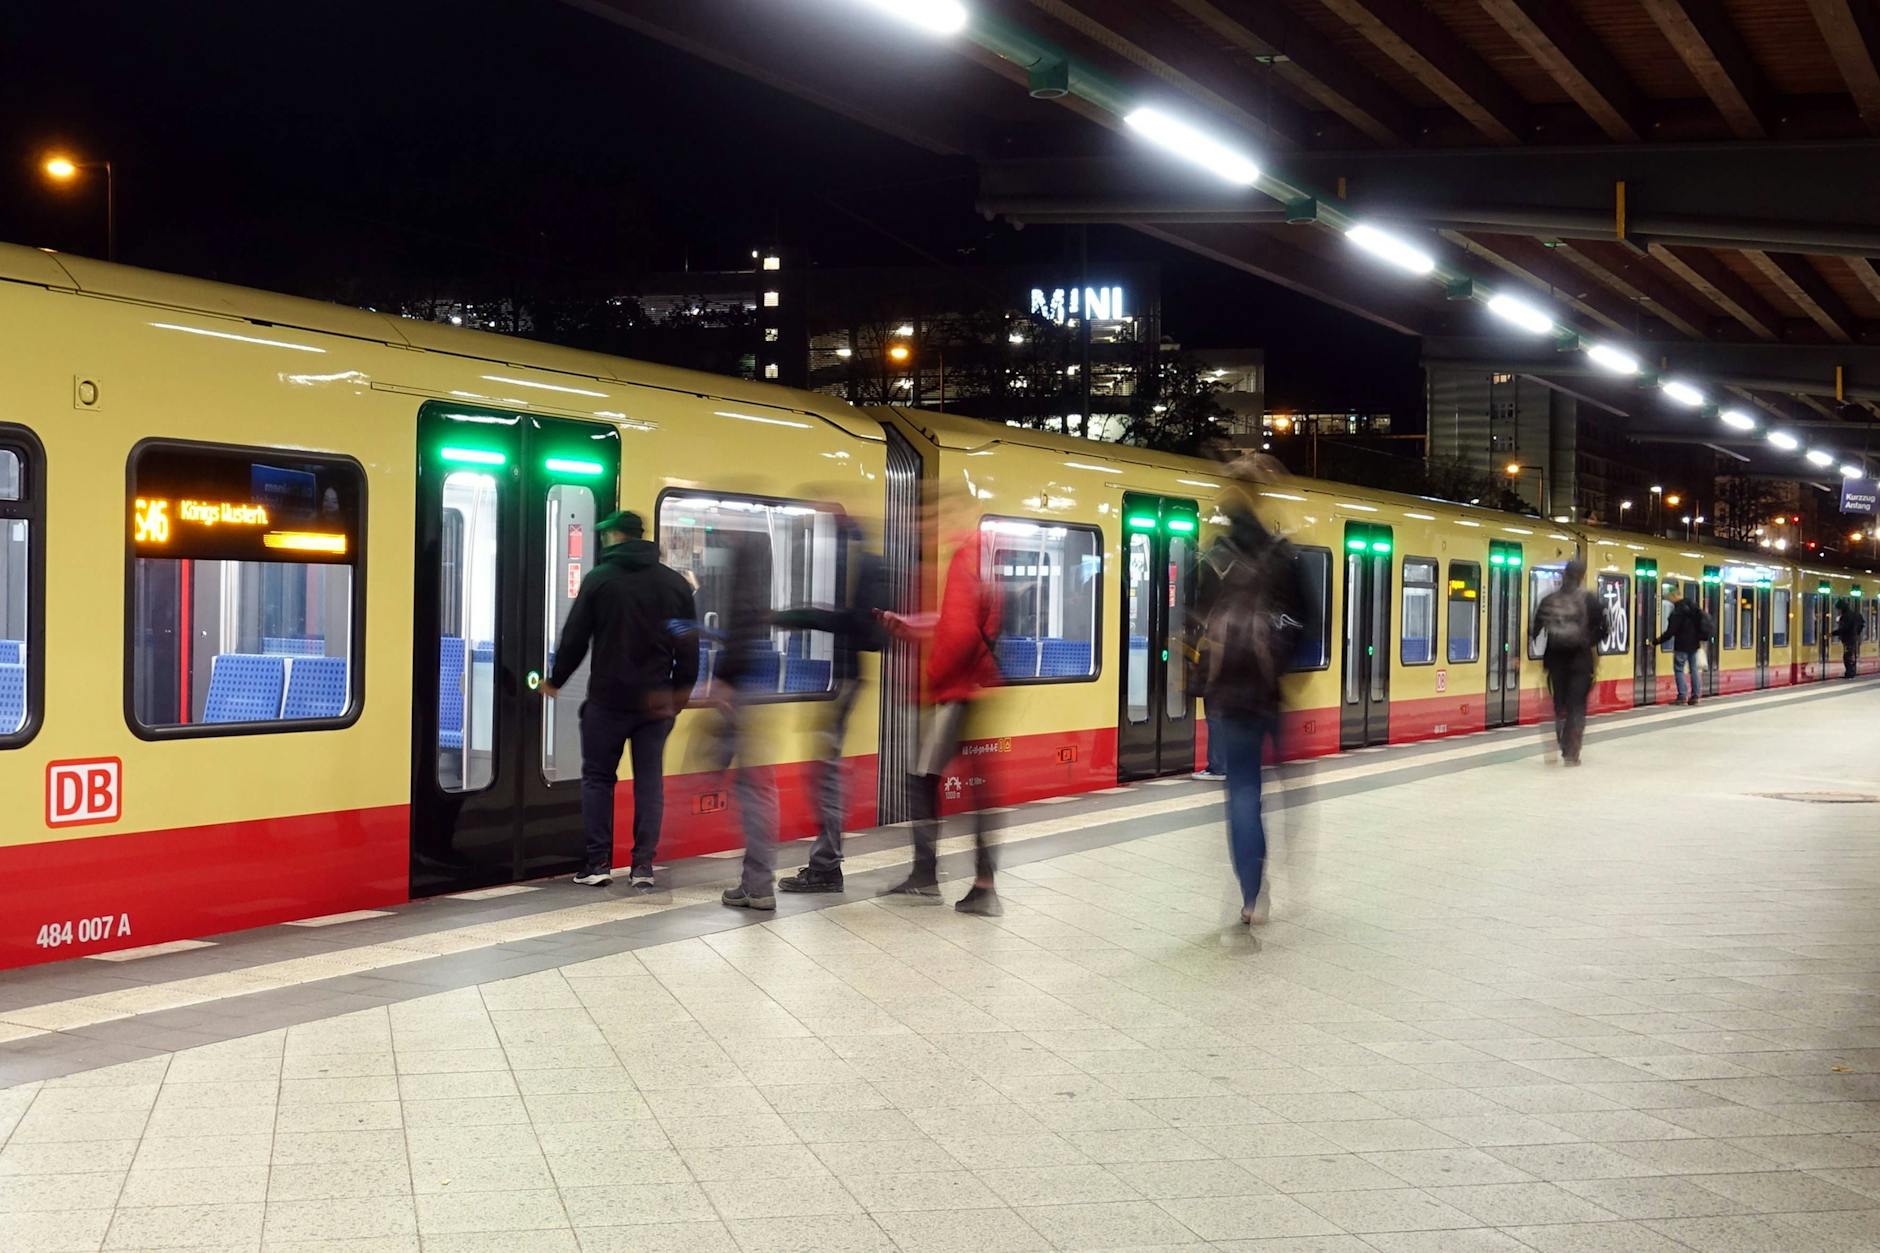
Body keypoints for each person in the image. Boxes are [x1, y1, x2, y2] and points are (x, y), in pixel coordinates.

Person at [543, 509, 699, 889]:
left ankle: (598, 863)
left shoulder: (600, 579)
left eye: (606, 534)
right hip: (656, 703)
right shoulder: (675, 585)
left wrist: (556, 680)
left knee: (598, 779)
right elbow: (689, 647)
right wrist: (678, 696)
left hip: (608, 701)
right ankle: (643, 866)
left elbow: (576, 637)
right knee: (649, 782)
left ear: (616, 536)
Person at [879, 518, 1005, 916]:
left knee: (923, 778)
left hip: (957, 689)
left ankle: (932, 877)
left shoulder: (966, 556)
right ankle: (974, 883)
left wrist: (935, 678)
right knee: (977, 788)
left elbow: (961, 631)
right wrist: (916, 627)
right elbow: (960, 621)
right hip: (974, 684)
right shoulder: (983, 554)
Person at [1196, 492, 1302, 926]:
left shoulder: (1214, 558)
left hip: (1229, 696)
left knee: (1242, 794)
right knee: (1288, 787)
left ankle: (1252, 894)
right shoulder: (1283, 556)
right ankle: (1283, 868)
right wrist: (1281, 670)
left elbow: (1193, 619)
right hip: (1267, 694)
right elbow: (1308, 624)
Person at [775, 511, 890, 894]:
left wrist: (799, 615)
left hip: (843, 682)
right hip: (842, 682)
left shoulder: (864, 569)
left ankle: (826, 867)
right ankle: (826, 864)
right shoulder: (863, 565)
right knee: (825, 775)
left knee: (826, 777)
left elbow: (854, 623)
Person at [713, 529, 785, 911]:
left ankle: (758, 885)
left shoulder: (748, 557)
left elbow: (743, 623)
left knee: (755, 789)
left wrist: (725, 675)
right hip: (758, 681)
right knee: (756, 787)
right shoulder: (759, 555)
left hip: (748, 682)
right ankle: (755, 882)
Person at [1529, 559, 1608, 766]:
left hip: (1555, 660)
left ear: (1564, 574)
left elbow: (1535, 628)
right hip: (1580, 661)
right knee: (1577, 706)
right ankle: (1571, 752)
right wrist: (1587, 641)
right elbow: (1605, 629)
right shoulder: (1590, 600)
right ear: (1582, 576)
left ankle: (1561, 740)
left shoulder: (1550, 599)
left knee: (1559, 705)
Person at [1656, 588, 1707, 706]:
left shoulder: (1678, 611)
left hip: (1681, 645)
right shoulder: (1693, 607)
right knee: (1694, 669)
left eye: (1668, 597)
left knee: (1679, 669)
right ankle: (1695, 696)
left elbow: (1670, 632)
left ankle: (1682, 696)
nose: (1668, 600)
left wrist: (1656, 642)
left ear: (1674, 596)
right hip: (1694, 644)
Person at [1836, 597, 1865, 679]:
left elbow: (1844, 629)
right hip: (1854, 638)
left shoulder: (1846, 616)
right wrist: (1857, 633)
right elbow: (1862, 624)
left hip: (1848, 639)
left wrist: (1832, 633)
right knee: (1851, 654)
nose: (1838, 611)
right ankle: (1852, 671)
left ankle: (1849, 673)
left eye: (1838, 609)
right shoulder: (1855, 614)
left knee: (1847, 656)